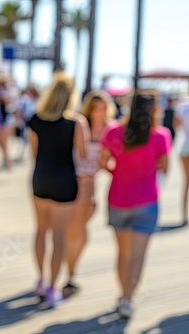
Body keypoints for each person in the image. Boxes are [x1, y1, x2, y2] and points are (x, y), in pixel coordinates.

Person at [98, 92, 171, 319]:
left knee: (123, 253)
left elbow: (102, 161)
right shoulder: (161, 135)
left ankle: (123, 294)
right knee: (138, 256)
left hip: (118, 199)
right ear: (154, 110)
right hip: (147, 201)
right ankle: (127, 299)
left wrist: (115, 172)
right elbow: (164, 168)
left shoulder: (113, 131)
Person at [26, 72, 86, 307]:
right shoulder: (76, 122)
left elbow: (34, 152)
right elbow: (81, 155)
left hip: (41, 178)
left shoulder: (36, 119)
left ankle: (40, 280)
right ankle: (53, 287)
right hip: (65, 181)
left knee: (41, 230)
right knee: (59, 235)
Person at [63, 90, 117, 298]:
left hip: (92, 185)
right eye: (96, 108)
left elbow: (110, 159)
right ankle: (69, 274)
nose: (100, 112)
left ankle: (69, 270)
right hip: (75, 183)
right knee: (77, 231)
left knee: (80, 230)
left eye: (103, 108)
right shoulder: (79, 125)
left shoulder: (109, 129)